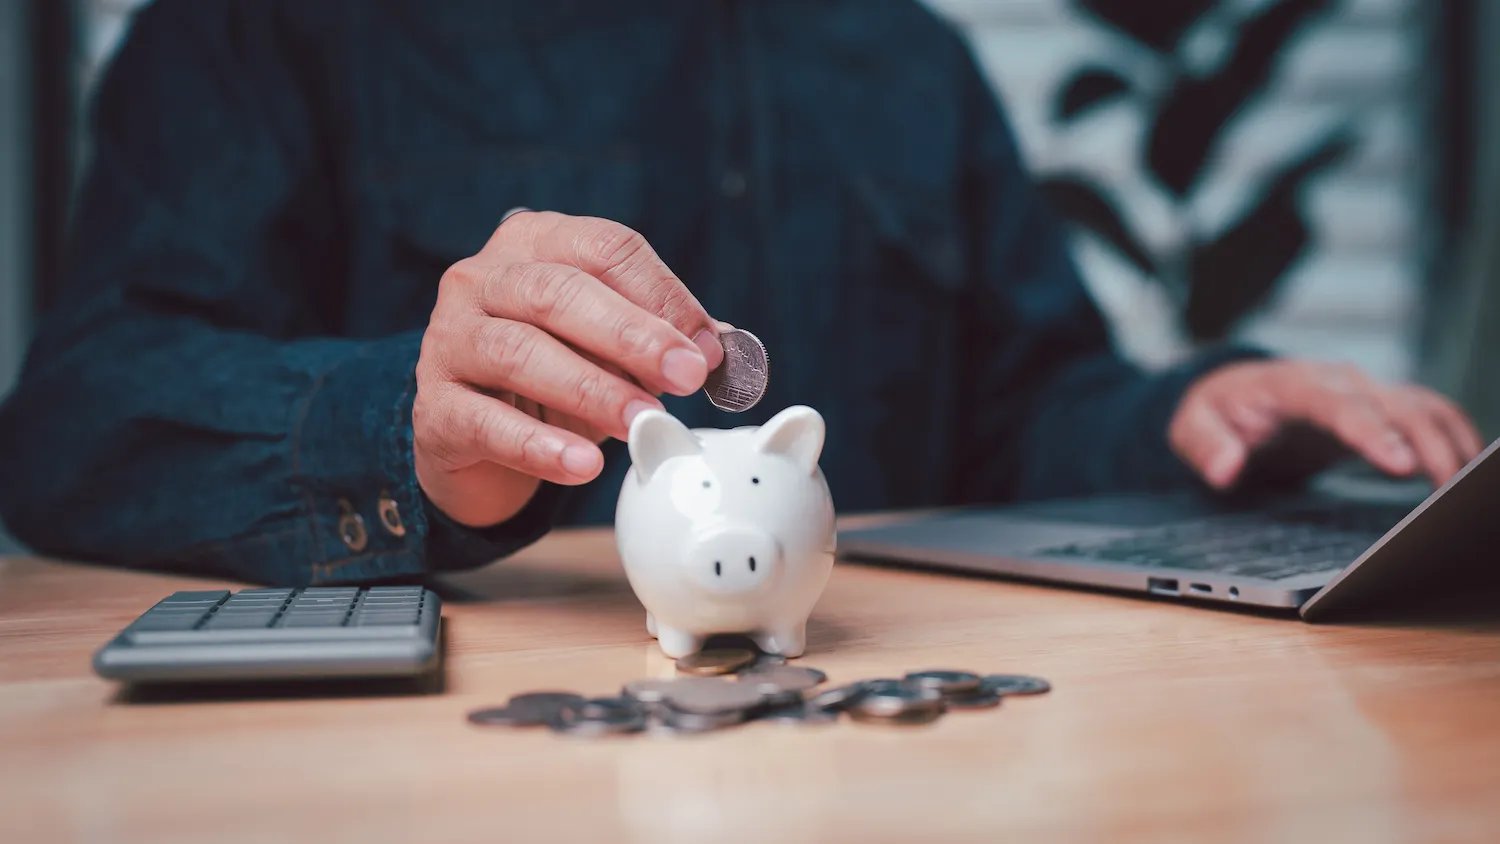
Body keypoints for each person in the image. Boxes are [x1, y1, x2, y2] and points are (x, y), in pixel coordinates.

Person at [0, 0, 1482, 587]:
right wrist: (401, 423)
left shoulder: (904, 53)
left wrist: (1191, 414)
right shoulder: (272, 26)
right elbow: (73, 418)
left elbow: (1023, 408)